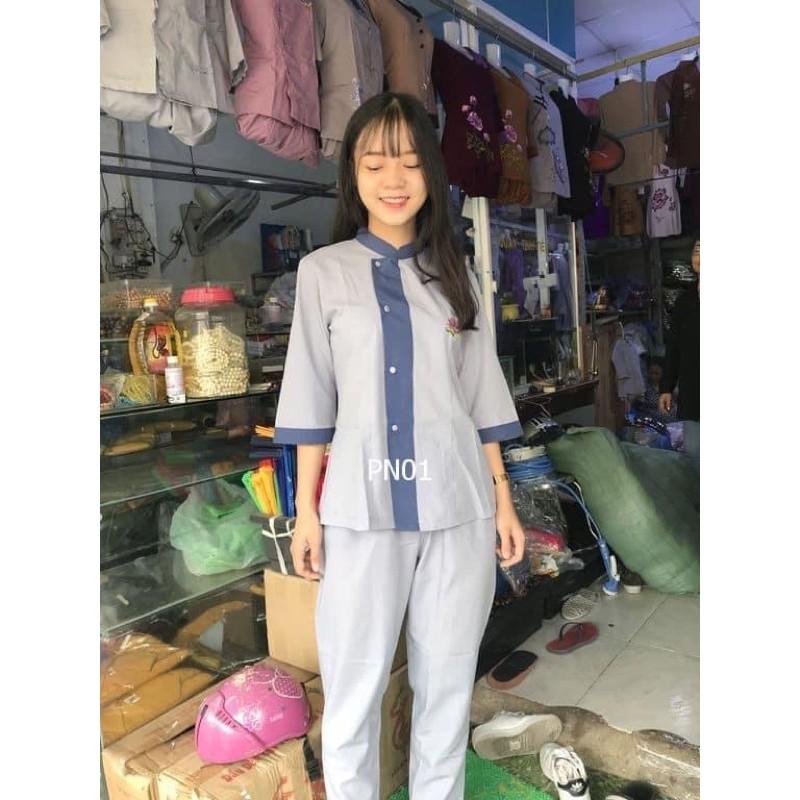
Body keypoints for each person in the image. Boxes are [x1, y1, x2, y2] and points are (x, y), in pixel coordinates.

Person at [272, 92, 526, 800]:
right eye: (375, 162)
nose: (393, 179)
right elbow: (311, 399)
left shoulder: (455, 274)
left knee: (446, 688)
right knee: (352, 691)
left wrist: (504, 500)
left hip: (458, 509)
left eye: (410, 162)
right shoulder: (322, 273)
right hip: (359, 513)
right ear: (351, 173)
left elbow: (481, 395)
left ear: (430, 175)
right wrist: (307, 513)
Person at [659, 239, 700, 421]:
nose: (700, 257)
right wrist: (666, 387)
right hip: (692, 392)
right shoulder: (684, 302)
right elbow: (674, 347)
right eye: (697, 251)